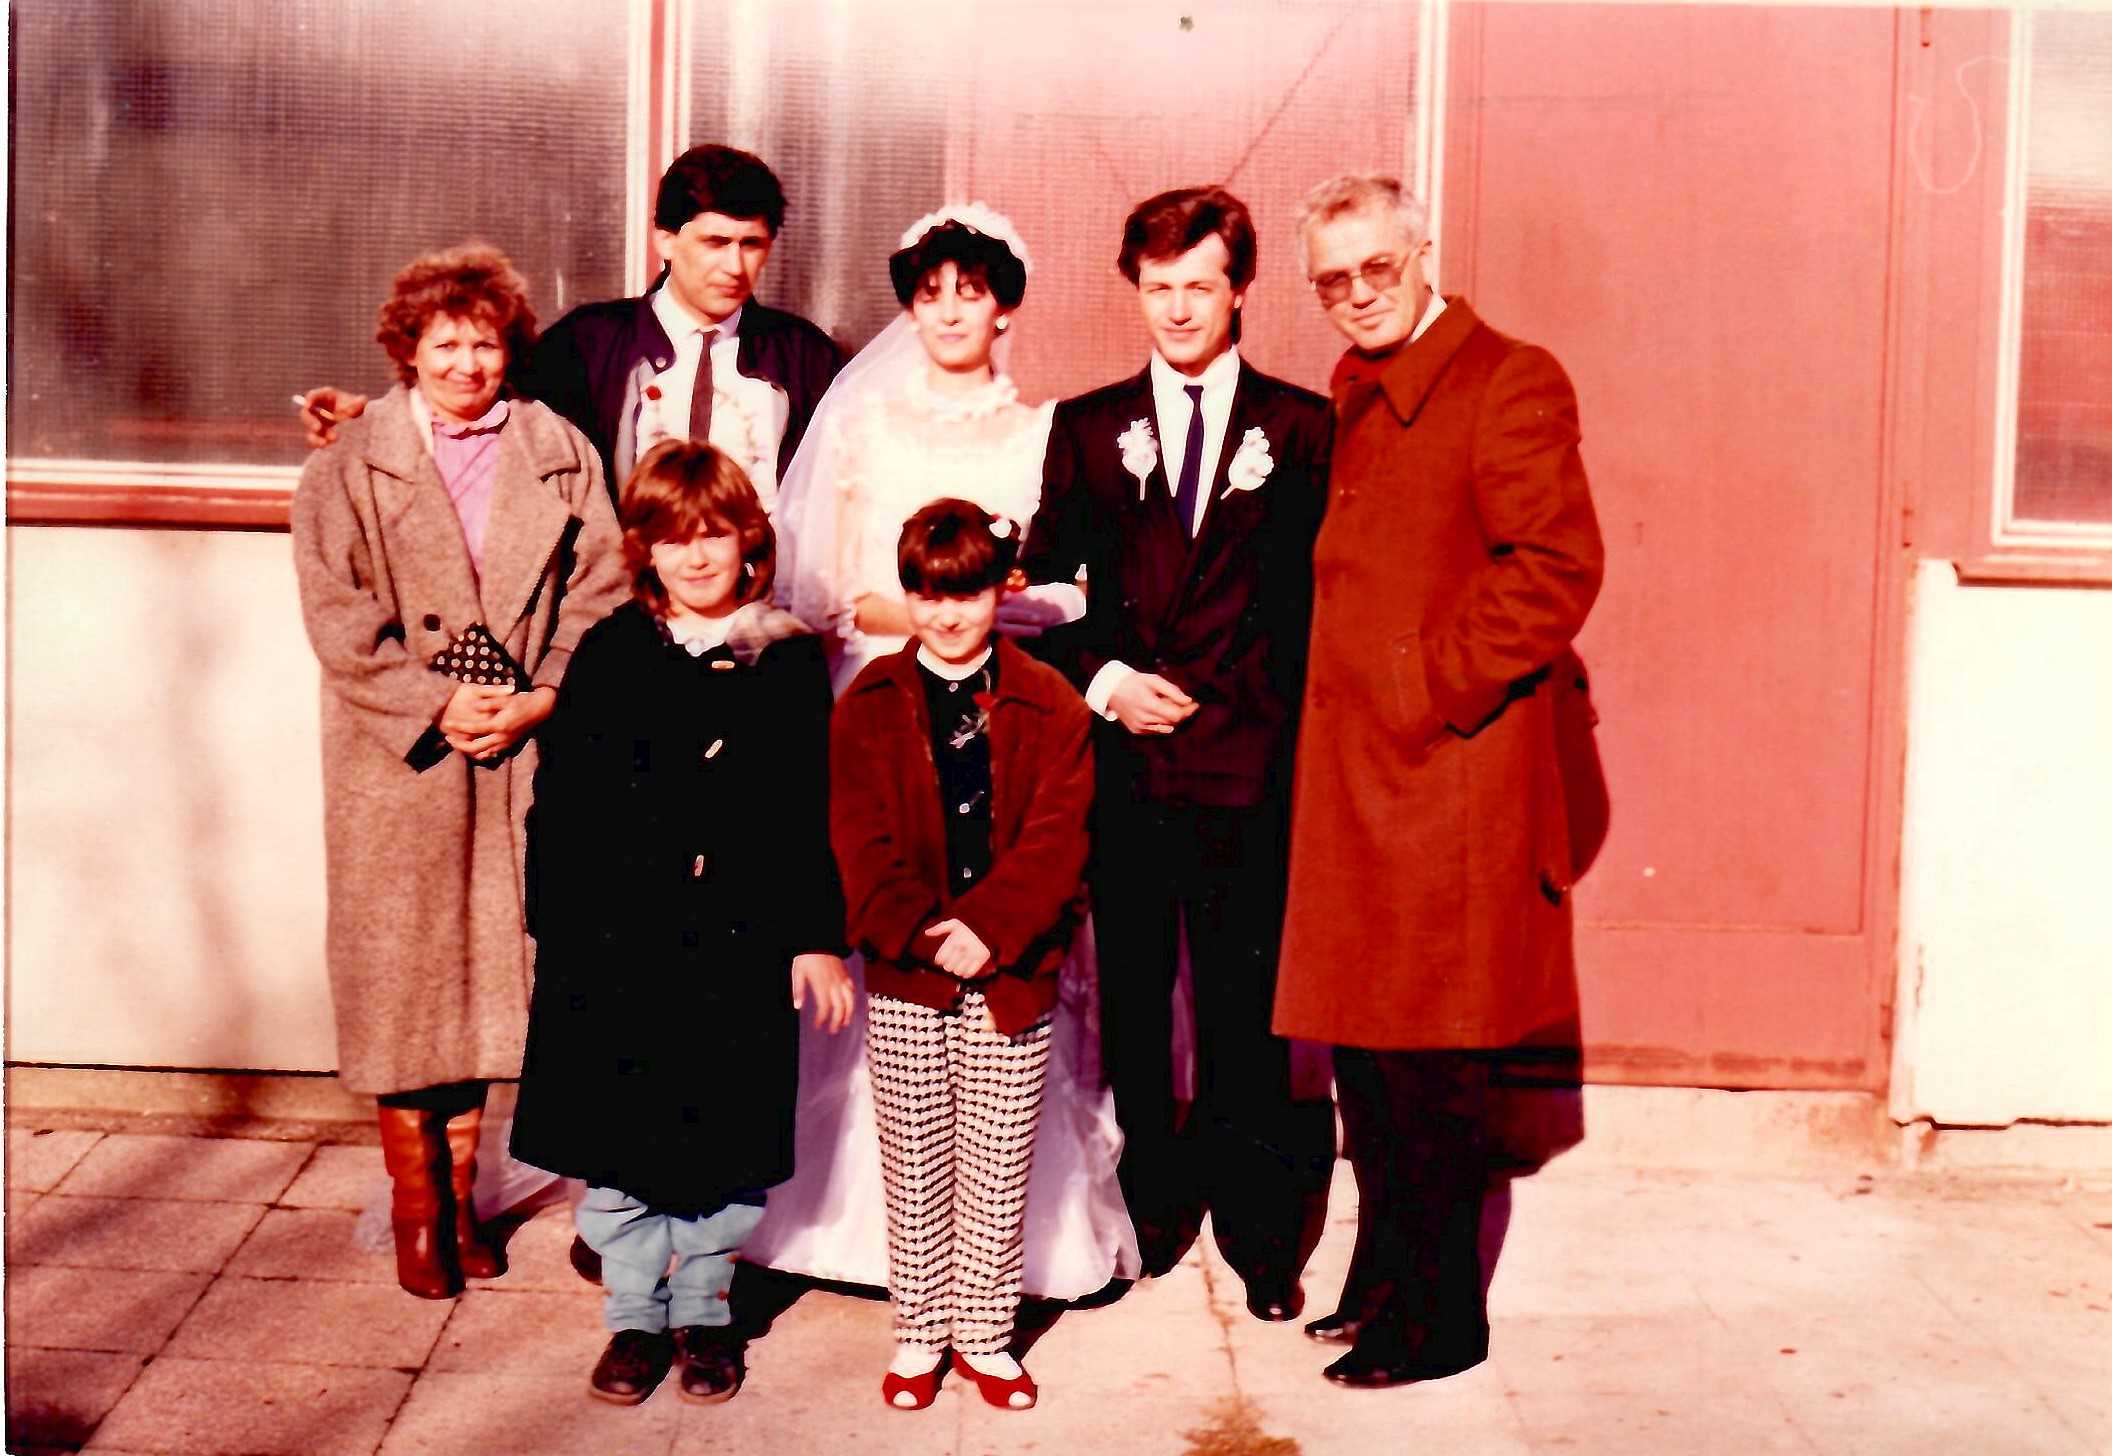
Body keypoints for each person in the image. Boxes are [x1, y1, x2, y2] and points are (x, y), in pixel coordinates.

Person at [744, 205, 1137, 1300]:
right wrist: (929, 612)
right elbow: (828, 587)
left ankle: (1011, 1238)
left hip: (1002, 697)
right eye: (930, 294)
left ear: (1006, 305)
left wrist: (1011, 604)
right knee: (888, 920)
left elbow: (1071, 582)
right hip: (882, 696)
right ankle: (855, 1224)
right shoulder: (862, 427)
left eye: (973, 292)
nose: (952, 312)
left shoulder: (1046, 431)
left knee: (1003, 930)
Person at [1274, 173, 1605, 1388]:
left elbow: (1556, 567)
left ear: (1425, 254)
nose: (1359, 293)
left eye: (1379, 266)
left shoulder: (1506, 377)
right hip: (1364, 775)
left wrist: (1425, 683)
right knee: (1371, 1051)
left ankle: (1442, 1318)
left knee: (1429, 1061)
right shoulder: (1362, 384)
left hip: (1443, 780)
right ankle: (1388, 1279)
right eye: (1334, 279)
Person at [1018, 185, 1335, 1322]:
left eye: (1202, 285)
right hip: (1132, 764)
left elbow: (1318, 606)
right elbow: (1047, 591)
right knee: (1141, 1001)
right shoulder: (1088, 426)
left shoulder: (1302, 428)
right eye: (1160, 288)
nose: (1181, 309)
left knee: (1251, 1006)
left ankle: (1262, 1231)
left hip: (1253, 759)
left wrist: (1258, 710)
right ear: (1136, 291)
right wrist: (1106, 681)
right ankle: (1155, 1204)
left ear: (1239, 289)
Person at [289, 243, 628, 1301]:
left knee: (488, 979)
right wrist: (434, 701)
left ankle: (467, 1197)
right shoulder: (349, 462)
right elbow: (337, 615)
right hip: (400, 757)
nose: (466, 364)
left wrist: (547, 692)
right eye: (445, 344)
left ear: (508, 349)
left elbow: (602, 588)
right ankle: (418, 1211)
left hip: (521, 746)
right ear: (408, 349)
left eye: (484, 343)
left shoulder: (558, 450)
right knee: (407, 979)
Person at [510, 440, 853, 1406]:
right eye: (673, 539)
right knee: (620, 1135)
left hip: (738, 943)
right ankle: (633, 1315)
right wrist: (562, 921)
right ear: (645, 550)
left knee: (722, 1135)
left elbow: (811, 808)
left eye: (715, 536)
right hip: (619, 940)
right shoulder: (613, 651)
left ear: (749, 543)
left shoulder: (787, 659)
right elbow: (561, 800)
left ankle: (704, 1309)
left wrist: (813, 935)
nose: (696, 557)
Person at [829, 500, 1096, 1412]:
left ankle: (984, 1333)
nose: (948, 616)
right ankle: (919, 1330)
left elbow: (1060, 836)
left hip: (1010, 973)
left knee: (997, 1155)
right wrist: (920, 932)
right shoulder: (870, 702)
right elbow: (860, 836)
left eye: (969, 595)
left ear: (998, 593)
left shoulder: (1051, 702)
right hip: (909, 971)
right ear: (908, 596)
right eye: (930, 596)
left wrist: (992, 926)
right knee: (914, 1155)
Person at [299, 144, 841, 510]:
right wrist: (371, 419)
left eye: (752, 245)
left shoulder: (805, 358)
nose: (734, 266)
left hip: (759, 612)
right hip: (619, 610)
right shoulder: (588, 343)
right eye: (715, 242)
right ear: (666, 239)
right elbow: (482, 414)